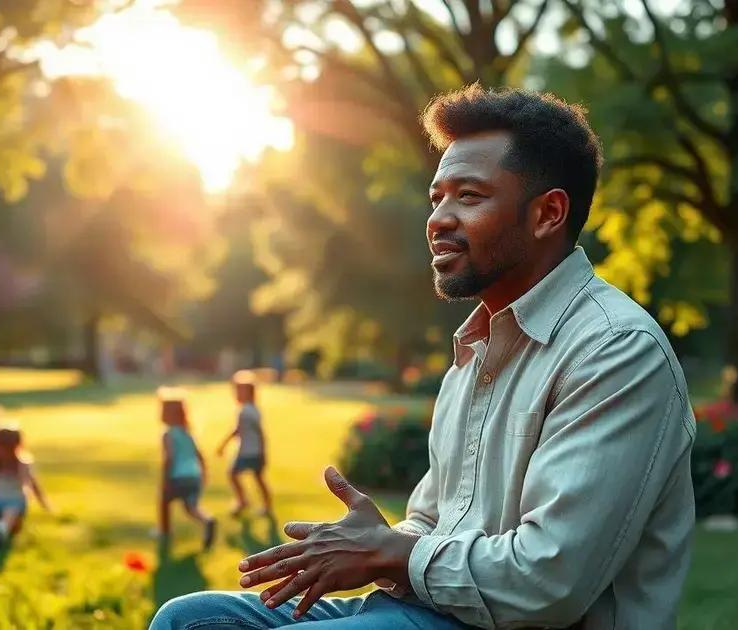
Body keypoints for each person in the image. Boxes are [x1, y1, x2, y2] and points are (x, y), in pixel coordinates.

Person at [152, 84, 696, 629]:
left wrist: (388, 552)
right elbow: (435, 522)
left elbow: (548, 581)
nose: (438, 219)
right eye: (437, 198)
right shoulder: (474, 348)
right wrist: (376, 542)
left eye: (469, 196)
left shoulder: (615, 350)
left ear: (548, 213)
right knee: (190, 620)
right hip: (438, 611)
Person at [158, 388, 217, 549]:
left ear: (167, 414)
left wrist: (165, 478)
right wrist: (203, 474)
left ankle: (165, 531)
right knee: (192, 508)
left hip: (177, 477)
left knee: (164, 501)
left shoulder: (168, 434)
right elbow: (200, 456)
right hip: (194, 476)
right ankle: (207, 520)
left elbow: (169, 457)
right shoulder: (187, 433)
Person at [217, 370, 273, 516]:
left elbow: (248, 431)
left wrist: (223, 445)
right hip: (253, 451)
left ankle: (243, 501)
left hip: (248, 451)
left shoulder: (246, 411)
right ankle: (265, 505)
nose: (236, 394)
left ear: (249, 393)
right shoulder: (251, 409)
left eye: (239, 391)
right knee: (258, 478)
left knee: (233, 474)